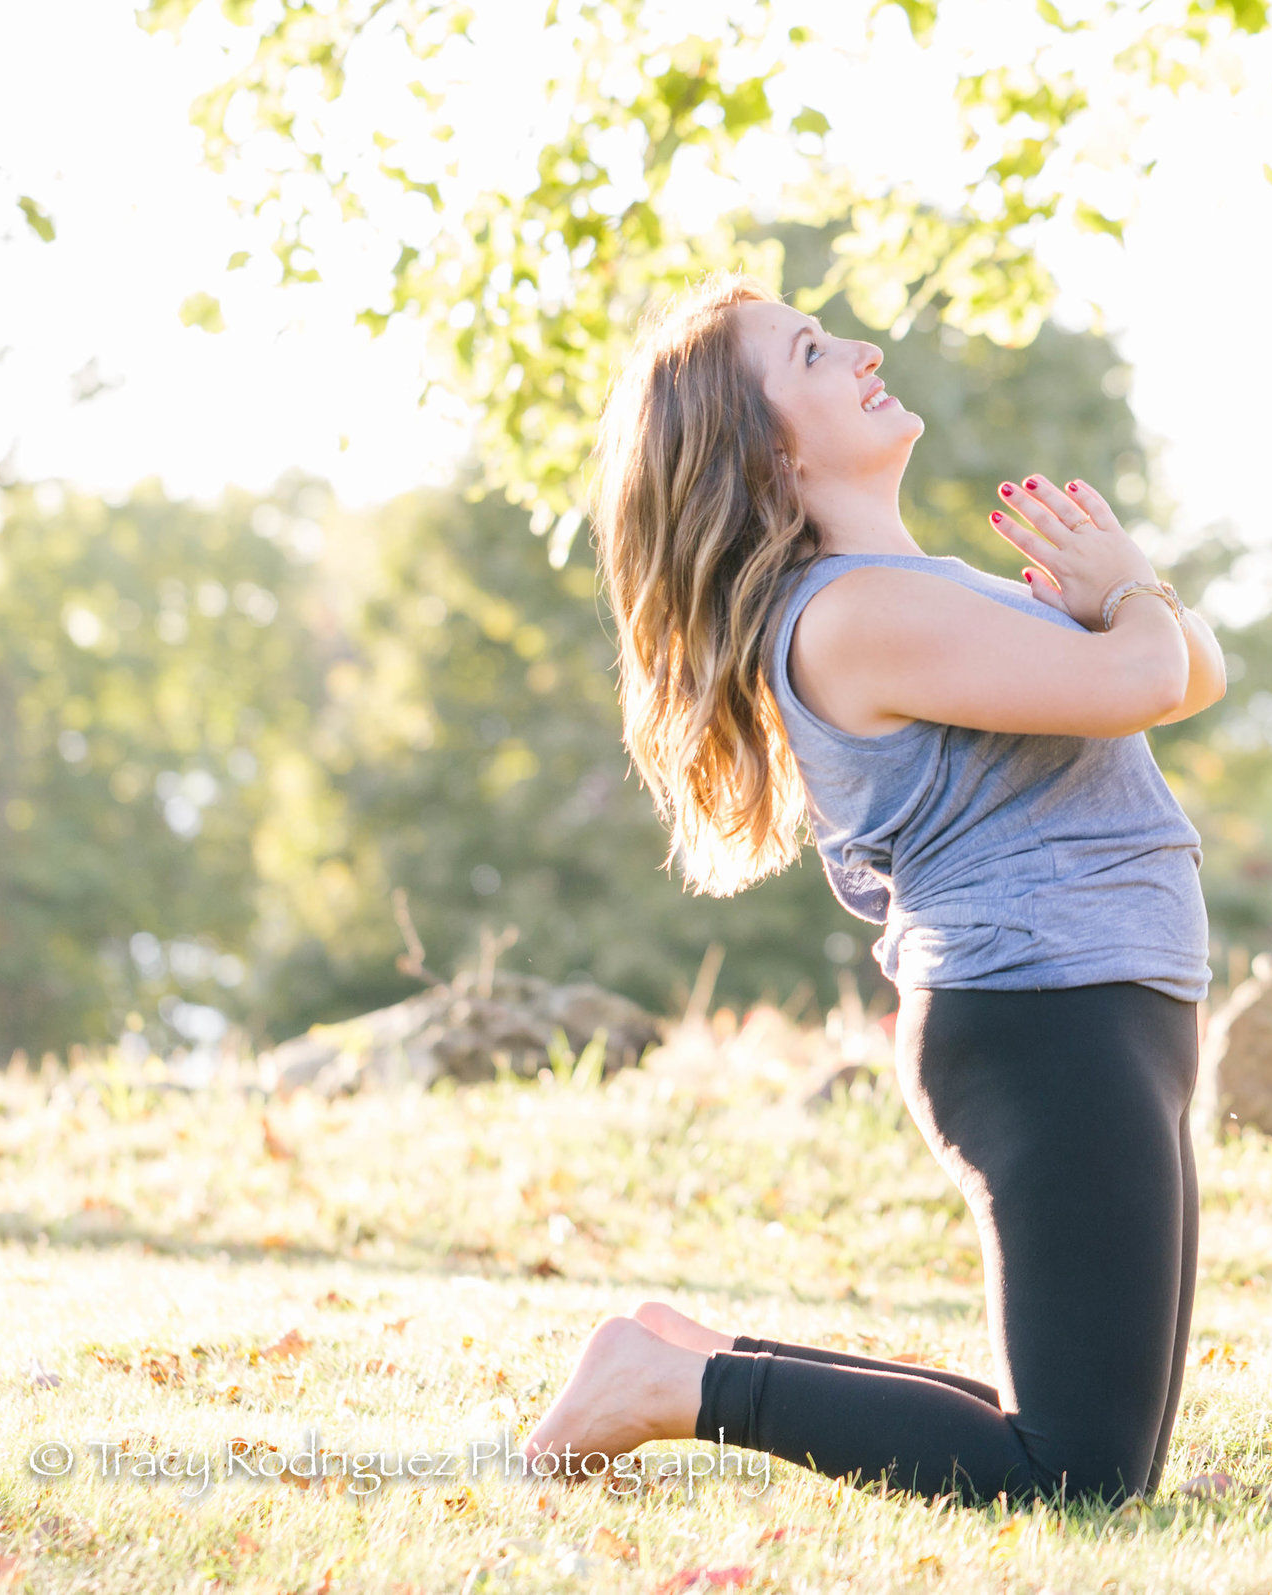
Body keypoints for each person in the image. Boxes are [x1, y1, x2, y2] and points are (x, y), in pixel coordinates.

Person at [517, 272, 1227, 1505]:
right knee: (1074, 1474)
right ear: (770, 455)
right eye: (808, 351)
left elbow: (1184, 670)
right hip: (1044, 1010)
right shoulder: (852, 616)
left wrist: (1125, 593)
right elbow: (1141, 677)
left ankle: (684, 1360)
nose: (858, 346)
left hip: (1103, 1003)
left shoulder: (929, 591)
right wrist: (1121, 593)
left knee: (1090, 1451)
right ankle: (676, 1389)